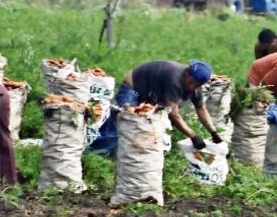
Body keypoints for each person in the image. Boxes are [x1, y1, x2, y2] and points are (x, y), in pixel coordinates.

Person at [91, 59, 219, 156]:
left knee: (141, 131)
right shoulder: (174, 78)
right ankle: (93, 153)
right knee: (121, 126)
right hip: (134, 87)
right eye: (191, 82)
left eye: (196, 85)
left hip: (150, 95)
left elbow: (201, 108)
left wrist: (214, 133)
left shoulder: (196, 87)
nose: (192, 87)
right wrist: (193, 136)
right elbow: (173, 114)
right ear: (187, 72)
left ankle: (114, 157)